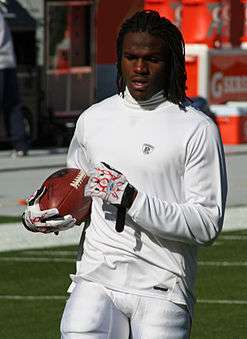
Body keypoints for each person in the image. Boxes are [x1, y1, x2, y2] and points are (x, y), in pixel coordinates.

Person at [22, 10, 227, 339]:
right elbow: (81, 188)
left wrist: (131, 198)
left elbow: (206, 225)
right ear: (119, 60)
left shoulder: (196, 128)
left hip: (162, 283)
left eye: (152, 59)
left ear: (171, 61)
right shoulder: (93, 119)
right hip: (97, 275)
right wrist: (51, 214)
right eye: (131, 57)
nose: (140, 68)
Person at [0, 6, 29, 156]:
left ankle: (20, 144)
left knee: (11, 105)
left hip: (2, 65)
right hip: (8, 64)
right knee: (12, 105)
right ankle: (20, 145)